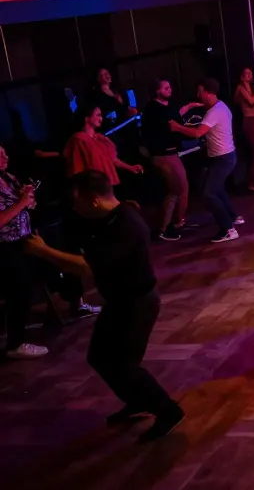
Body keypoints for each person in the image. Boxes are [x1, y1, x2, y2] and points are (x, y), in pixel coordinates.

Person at [23, 170, 186, 441]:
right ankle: (139, 401)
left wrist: (42, 251)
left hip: (137, 303)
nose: (76, 209)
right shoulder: (111, 217)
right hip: (121, 301)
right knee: (100, 358)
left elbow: (87, 268)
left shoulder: (126, 224)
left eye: (78, 203)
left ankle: (168, 411)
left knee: (126, 365)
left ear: (94, 200)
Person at [1, 145, 96, 359]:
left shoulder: (7, 177)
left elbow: (24, 205)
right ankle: (15, 344)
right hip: (6, 245)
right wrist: (22, 202)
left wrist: (28, 199)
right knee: (19, 287)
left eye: (4, 152)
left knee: (62, 258)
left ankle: (76, 304)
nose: (4, 156)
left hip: (26, 237)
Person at [169, 79, 242, 243]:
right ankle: (234, 217)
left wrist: (177, 127)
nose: (197, 95)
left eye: (200, 91)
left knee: (209, 193)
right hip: (224, 157)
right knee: (218, 189)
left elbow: (197, 133)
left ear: (207, 92)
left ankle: (229, 229)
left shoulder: (214, 112)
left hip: (223, 158)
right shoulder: (220, 106)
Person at [141, 80, 200, 240]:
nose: (169, 89)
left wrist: (188, 108)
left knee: (183, 188)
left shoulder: (167, 106)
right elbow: (167, 125)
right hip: (163, 155)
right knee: (176, 189)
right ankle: (163, 228)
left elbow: (175, 118)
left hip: (172, 154)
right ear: (157, 90)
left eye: (170, 87)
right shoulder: (152, 108)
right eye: (165, 87)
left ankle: (178, 221)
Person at [64, 105, 144, 185]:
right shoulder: (79, 140)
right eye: (98, 115)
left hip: (106, 185)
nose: (101, 118)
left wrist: (130, 167)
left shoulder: (100, 139)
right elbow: (76, 168)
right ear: (87, 118)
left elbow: (113, 159)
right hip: (92, 187)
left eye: (101, 115)